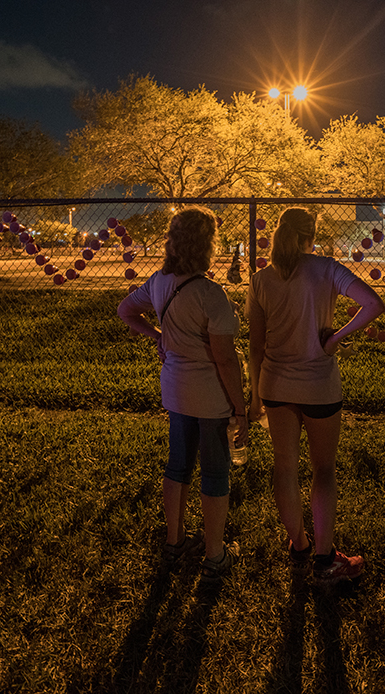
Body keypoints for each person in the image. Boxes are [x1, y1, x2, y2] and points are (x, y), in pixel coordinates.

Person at [246, 207, 385, 585]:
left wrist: (255, 396)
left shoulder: (260, 279)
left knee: (284, 468)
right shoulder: (328, 269)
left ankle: (300, 545)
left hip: (275, 386)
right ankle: (325, 561)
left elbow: (255, 345)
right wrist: (335, 338)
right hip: (319, 386)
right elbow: (374, 304)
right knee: (323, 470)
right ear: (311, 235)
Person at [117, 206, 247, 581]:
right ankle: (215, 554)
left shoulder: (159, 283)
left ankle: (174, 541)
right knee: (215, 471)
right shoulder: (211, 295)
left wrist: (159, 336)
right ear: (207, 245)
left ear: (173, 242)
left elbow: (127, 311)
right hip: (210, 396)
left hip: (175, 390)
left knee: (178, 465)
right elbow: (224, 360)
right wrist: (240, 409)